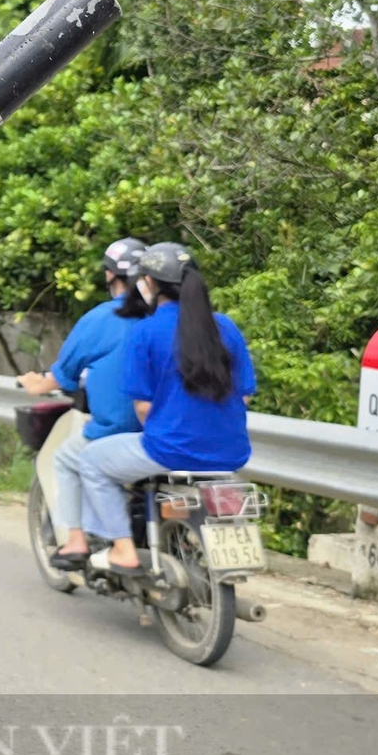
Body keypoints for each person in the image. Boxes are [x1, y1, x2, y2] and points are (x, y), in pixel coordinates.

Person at [76, 242, 255, 574]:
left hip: (169, 450)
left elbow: (143, 409)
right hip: (230, 453)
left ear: (151, 284)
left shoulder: (146, 331)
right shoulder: (226, 327)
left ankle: (123, 550)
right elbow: (243, 396)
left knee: (90, 461)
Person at [17, 237, 147, 570]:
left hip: (121, 429)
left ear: (109, 276)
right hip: (173, 426)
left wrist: (35, 383)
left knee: (66, 458)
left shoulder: (101, 318)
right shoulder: (167, 316)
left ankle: (76, 541)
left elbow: (61, 375)